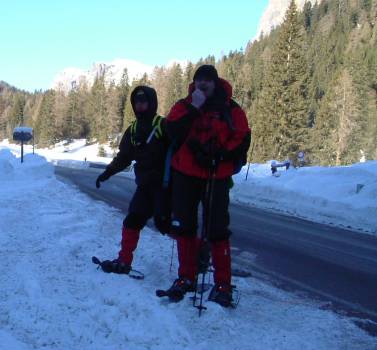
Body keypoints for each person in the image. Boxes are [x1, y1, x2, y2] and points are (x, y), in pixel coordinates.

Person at [162, 65, 251, 307]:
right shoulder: (185, 104)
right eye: (199, 80)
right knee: (185, 227)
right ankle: (186, 276)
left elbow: (242, 137)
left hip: (216, 174)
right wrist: (194, 107)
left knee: (218, 230)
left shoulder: (231, 109)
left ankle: (223, 283)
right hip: (186, 174)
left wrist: (221, 155)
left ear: (215, 82)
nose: (203, 84)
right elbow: (171, 129)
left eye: (207, 81)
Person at [95, 85, 170, 274]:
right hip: (145, 187)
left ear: (152, 102)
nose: (140, 105)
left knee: (170, 225)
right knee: (132, 221)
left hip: (166, 187)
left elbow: (179, 152)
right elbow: (123, 158)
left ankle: (194, 268)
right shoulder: (133, 129)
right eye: (137, 102)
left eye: (144, 101)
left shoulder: (163, 125)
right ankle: (124, 261)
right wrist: (107, 173)